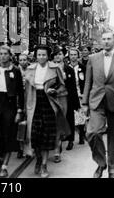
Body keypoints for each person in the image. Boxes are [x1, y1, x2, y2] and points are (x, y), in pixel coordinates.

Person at [82, 31, 114, 178]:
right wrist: (85, 103)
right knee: (92, 133)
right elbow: (88, 81)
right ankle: (100, 163)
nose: (106, 42)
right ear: (101, 41)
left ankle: (113, 168)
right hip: (97, 101)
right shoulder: (92, 58)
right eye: (103, 39)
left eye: (109, 39)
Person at [24, 45, 70, 178]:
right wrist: (23, 109)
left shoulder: (55, 68)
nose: (41, 57)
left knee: (46, 135)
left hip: (49, 103)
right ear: (35, 56)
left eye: (44, 55)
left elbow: (62, 86)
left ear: (48, 56)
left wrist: (54, 90)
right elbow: (26, 91)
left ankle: (44, 164)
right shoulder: (30, 69)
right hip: (33, 102)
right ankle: (38, 158)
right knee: (35, 135)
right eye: (39, 55)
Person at [0, 46, 24, 178]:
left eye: (5, 54)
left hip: (10, 105)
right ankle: (1, 157)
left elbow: (20, 92)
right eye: (0, 54)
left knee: (8, 135)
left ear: (10, 55)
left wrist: (19, 110)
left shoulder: (16, 71)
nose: (3, 56)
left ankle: (4, 166)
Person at [63, 48, 84, 151]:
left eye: (75, 54)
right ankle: (70, 140)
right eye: (71, 54)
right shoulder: (66, 68)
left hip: (81, 94)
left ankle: (81, 135)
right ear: (69, 56)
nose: (73, 56)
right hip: (70, 95)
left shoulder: (82, 67)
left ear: (78, 56)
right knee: (71, 117)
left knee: (81, 115)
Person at [51, 46, 69, 163]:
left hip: (63, 98)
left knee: (60, 122)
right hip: (50, 98)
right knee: (51, 123)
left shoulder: (68, 69)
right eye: (55, 54)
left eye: (60, 54)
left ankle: (57, 149)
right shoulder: (48, 67)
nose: (58, 56)